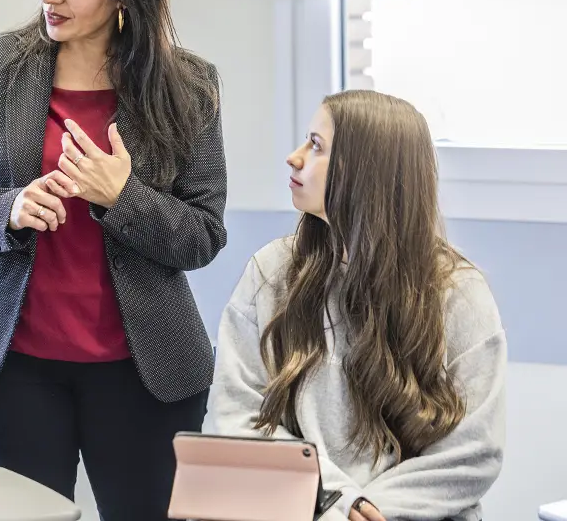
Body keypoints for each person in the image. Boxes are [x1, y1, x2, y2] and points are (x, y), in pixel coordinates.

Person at [0, 0, 227, 520]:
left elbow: (203, 234)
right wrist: (6, 210)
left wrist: (124, 199)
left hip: (147, 374)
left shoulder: (190, 85)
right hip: (6, 369)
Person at [209, 90, 506, 521]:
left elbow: (475, 450)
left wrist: (372, 510)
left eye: (316, 146)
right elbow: (234, 416)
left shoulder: (460, 293)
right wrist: (336, 502)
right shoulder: (270, 273)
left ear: (365, 171)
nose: (293, 158)